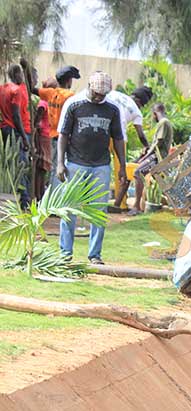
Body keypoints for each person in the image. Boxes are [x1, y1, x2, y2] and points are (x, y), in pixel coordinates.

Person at [56, 71, 125, 265]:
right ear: (89, 86)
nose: (99, 98)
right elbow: (63, 135)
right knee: (69, 208)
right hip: (76, 163)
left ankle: (95, 254)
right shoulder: (74, 104)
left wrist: (122, 166)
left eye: (103, 95)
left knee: (98, 211)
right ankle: (65, 254)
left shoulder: (112, 109)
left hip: (101, 165)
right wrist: (60, 163)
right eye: (96, 94)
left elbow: (118, 138)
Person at [35, 65, 81, 188]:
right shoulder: (70, 96)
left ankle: (51, 192)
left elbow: (34, 90)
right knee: (63, 167)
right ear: (68, 80)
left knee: (54, 166)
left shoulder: (50, 92)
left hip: (52, 136)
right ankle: (56, 196)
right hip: (66, 137)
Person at [108, 86, 152, 212]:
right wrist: (147, 147)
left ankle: (93, 201)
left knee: (98, 166)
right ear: (140, 102)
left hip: (104, 134)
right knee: (120, 171)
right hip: (120, 138)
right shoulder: (136, 111)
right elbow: (141, 135)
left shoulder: (115, 94)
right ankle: (121, 204)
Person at [127, 103, 173, 215]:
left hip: (157, 158)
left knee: (138, 172)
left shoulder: (163, 123)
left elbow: (159, 142)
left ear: (154, 114)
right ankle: (139, 205)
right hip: (157, 156)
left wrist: (147, 156)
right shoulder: (166, 122)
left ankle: (137, 207)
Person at [0, 64, 31, 208]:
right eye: (21, 75)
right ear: (17, 74)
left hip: (5, 129)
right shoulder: (16, 90)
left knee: (9, 165)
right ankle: (24, 202)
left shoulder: (3, 88)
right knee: (20, 166)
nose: (23, 78)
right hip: (15, 131)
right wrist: (25, 138)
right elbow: (16, 115)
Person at [33, 99, 52, 199]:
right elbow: (38, 118)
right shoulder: (43, 103)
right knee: (41, 167)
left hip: (46, 135)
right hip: (43, 136)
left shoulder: (47, 102)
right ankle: (38, 196)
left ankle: (40, 195)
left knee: (43, 168)